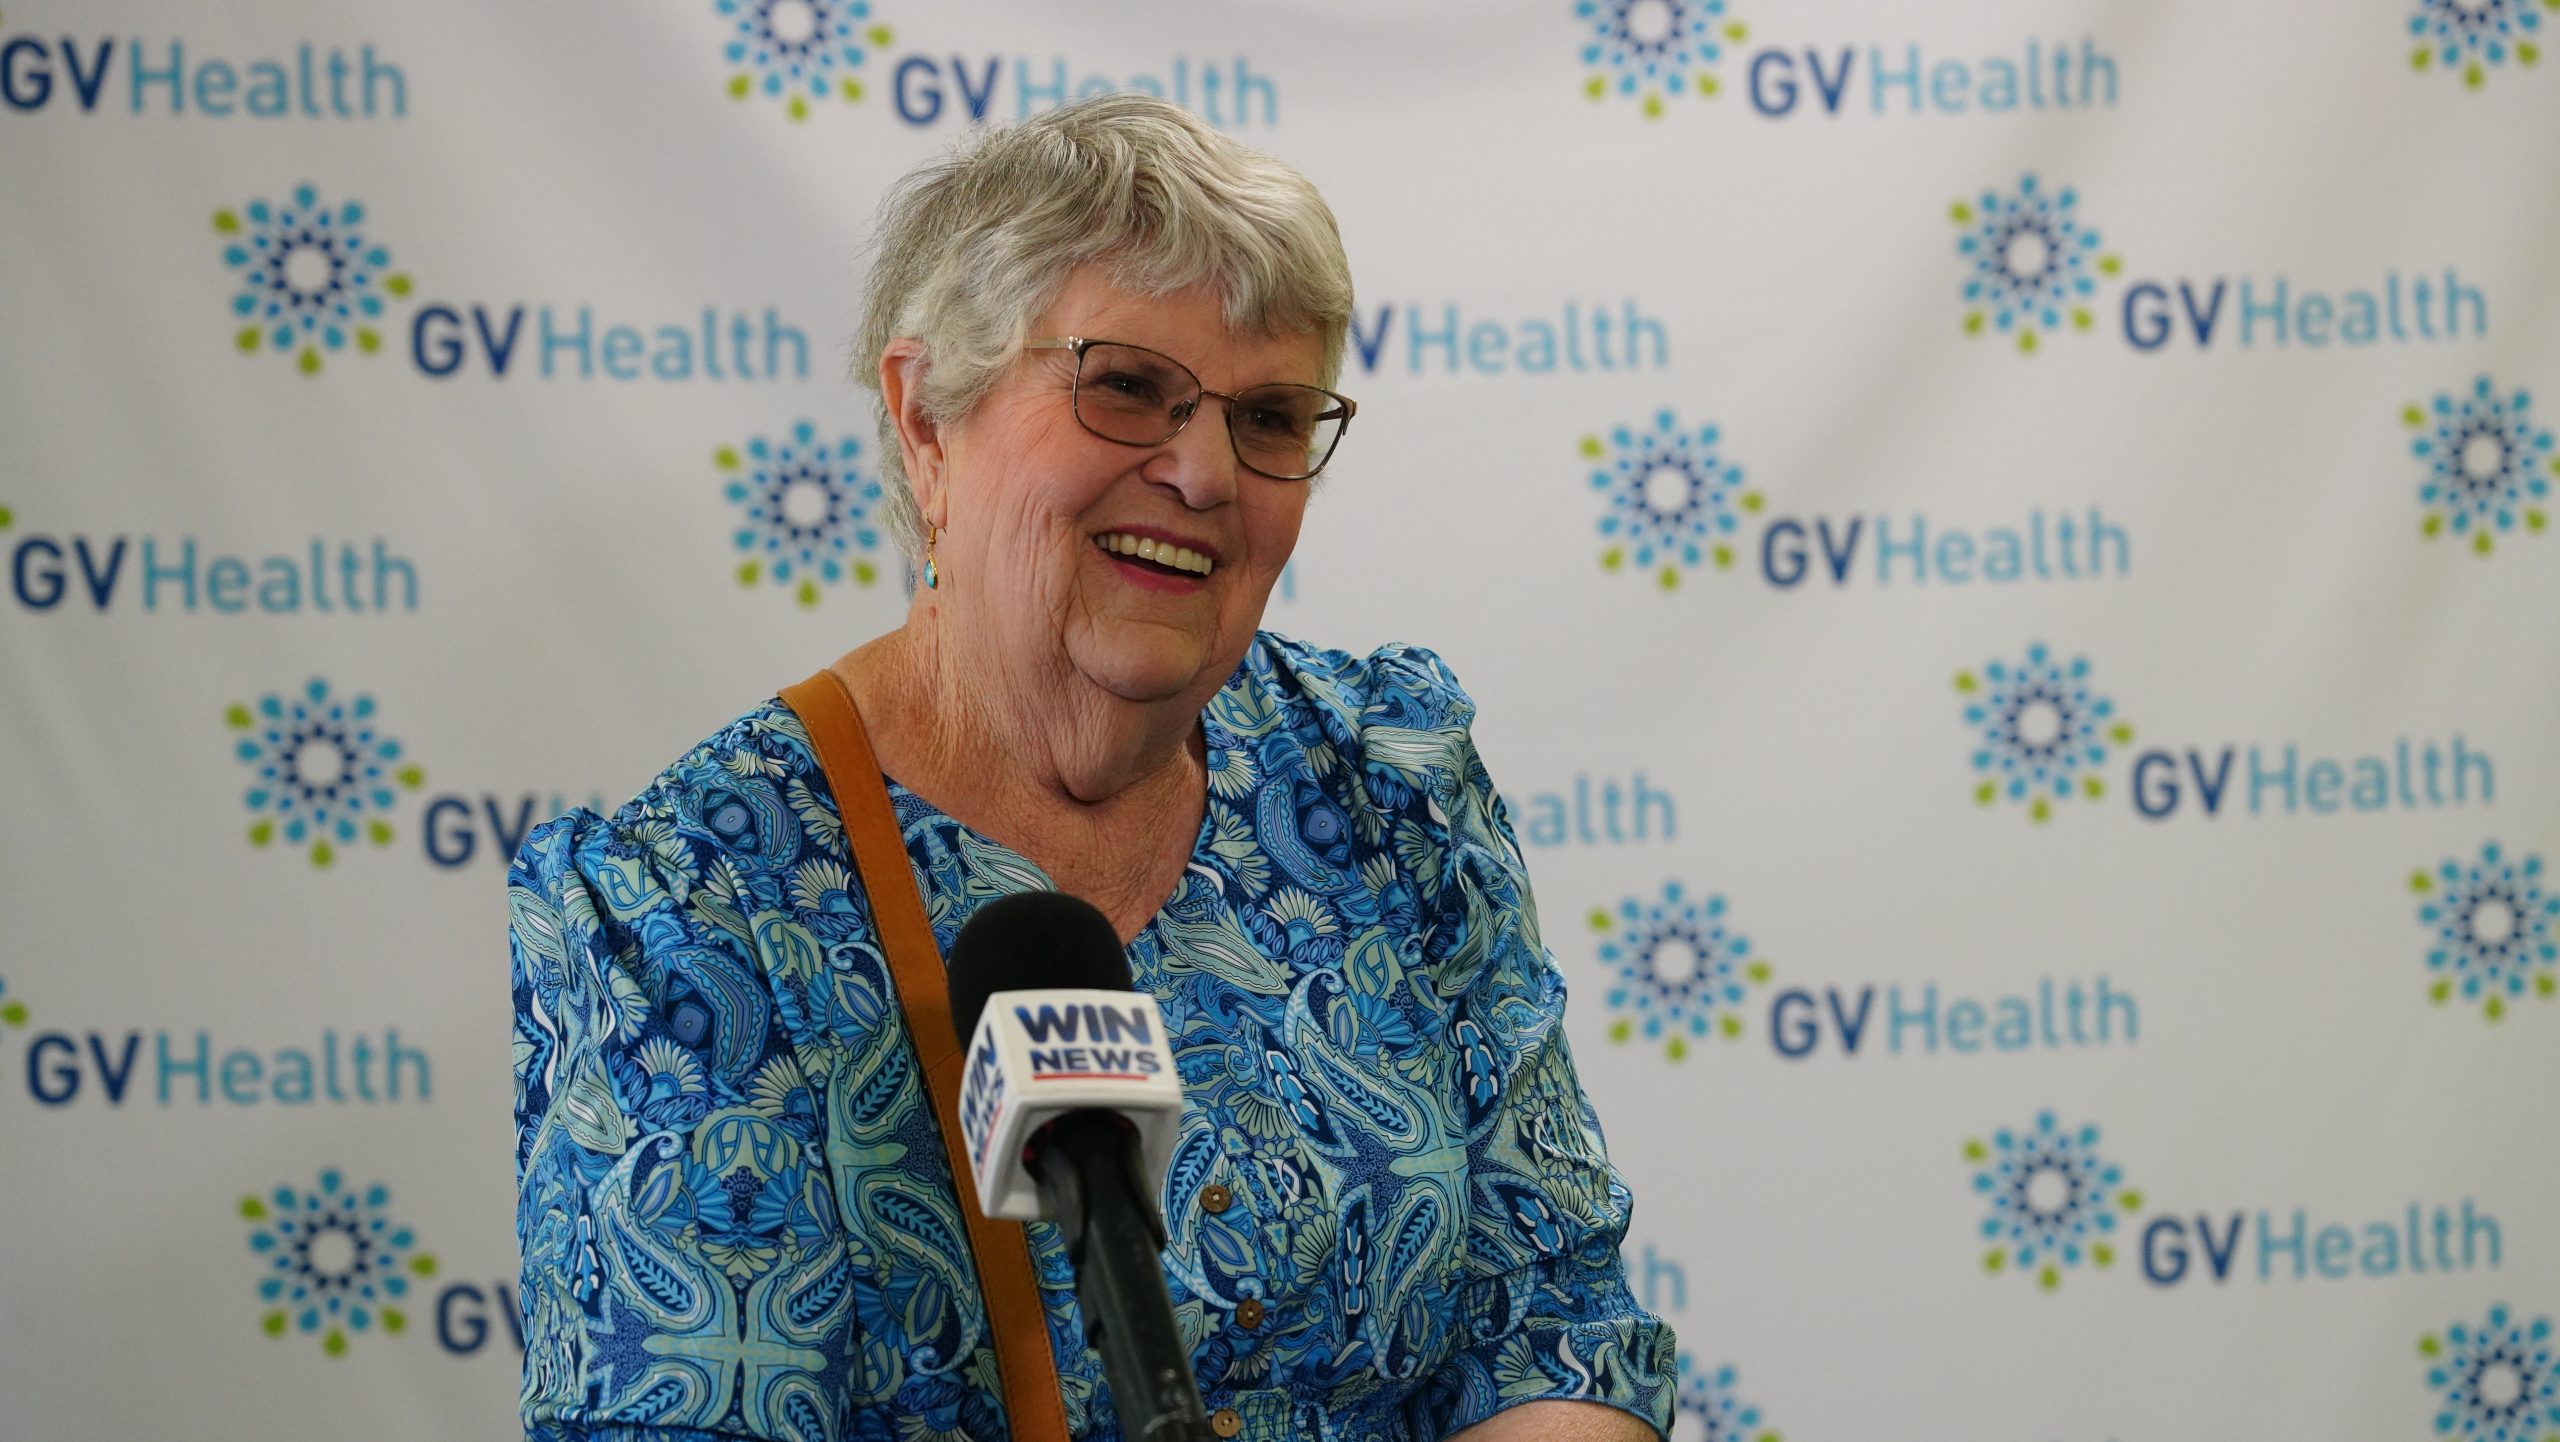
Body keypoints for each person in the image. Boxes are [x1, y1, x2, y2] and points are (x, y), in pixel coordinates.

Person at [508, 94, 1674, 1442]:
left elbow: (1550, 1326)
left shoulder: (1388, 782)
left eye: (1273, 417)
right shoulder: (688, 907)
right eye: (1126, 387)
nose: (1202, 470)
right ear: (926, 419)